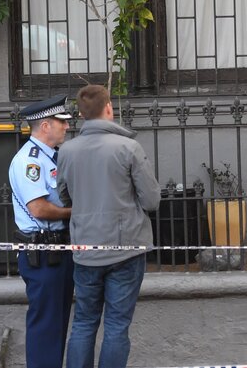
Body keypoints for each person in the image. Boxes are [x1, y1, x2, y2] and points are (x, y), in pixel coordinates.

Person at [57, 84, 161, 368]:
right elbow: (151, 200)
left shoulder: (66, 151)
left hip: (85, 251)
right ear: (109, 109)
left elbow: (64, 197)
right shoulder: (129, 147)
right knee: (116, 326)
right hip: (125, 249)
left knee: (83, 323)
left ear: (80, 114)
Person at [8, 94, 75, 368]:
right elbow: (39, 209)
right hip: (43, 253)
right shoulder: (30, 161)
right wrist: (78, 212)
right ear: (45, 125)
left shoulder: (53, 157)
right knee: (46, 326)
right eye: (62, 122)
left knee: (57, 324)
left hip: (59, 250)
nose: (67, 127)